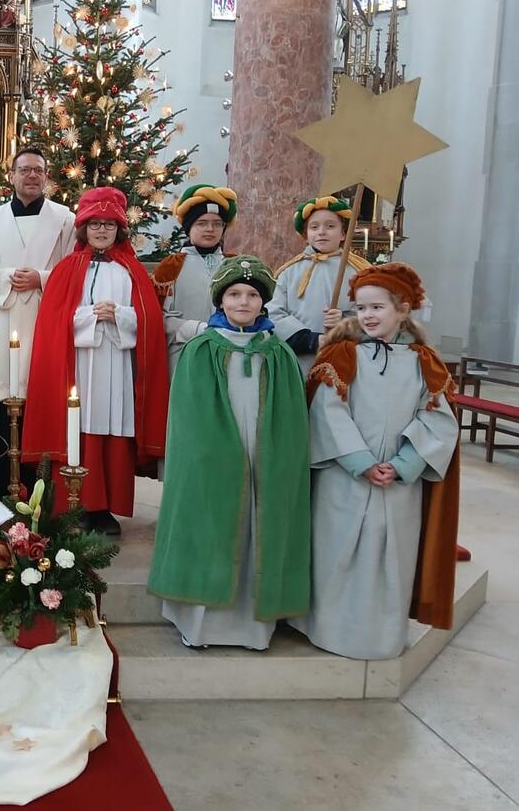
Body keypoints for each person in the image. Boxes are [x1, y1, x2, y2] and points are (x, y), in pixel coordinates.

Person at [293, 263, 460, 660]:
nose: (367, 315)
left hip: (399, 482)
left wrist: (403, 463)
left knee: (391, 558)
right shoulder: (342, 355)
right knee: (336, 555)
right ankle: (329, 628)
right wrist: (361, 460)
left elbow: (437, 418)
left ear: (402, 309)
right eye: (361, 308)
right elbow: (326, 412)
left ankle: (381, 635)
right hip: (345, 477)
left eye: (377, 307)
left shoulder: (424, 362)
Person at [148, 256, 311, 650]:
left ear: (263, 302)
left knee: (257, 526)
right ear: (220, 301)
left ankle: (254, 627)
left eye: (252, 295)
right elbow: (188, 417)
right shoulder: (202, 349)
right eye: (234, 294)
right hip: (212, 461)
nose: (243, 302)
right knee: (212, 523)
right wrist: (210, 454)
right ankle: (200, 624)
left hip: (264, 458)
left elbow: (291, 417)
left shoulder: (278, 353)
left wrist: (277, 456)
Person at [22, 187, 169, 535]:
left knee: (112, 428)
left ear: (120, 229)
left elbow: (149, 321)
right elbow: (54, 322)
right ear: (83, 228)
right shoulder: (67, 269)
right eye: (94, 224)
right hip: (79, 365)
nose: (101, 230)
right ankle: (76, 506)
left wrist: (120, 316)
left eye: (109, 224)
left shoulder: (131, 270)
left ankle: (105, 508)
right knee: (78, 425)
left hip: (115, 363)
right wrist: (89, 316)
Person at [0, 147, 76, 498]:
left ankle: (40, 490)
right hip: (5, 319)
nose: (32, 176)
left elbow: (74, 270)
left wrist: (42, 279)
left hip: (47, 322)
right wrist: (10, 277)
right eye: (25, 170)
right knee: (3, 402)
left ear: (47, 177)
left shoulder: (65, 220)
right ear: (12, 176)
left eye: (39, 170)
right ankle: (0, 485)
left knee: (40, 402)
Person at [268, 196, 370, 375]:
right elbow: (274, 312)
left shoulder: (359, 271)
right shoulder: (289, 271)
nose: (321, 232)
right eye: (314, 227)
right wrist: (311, 340)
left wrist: (345, 319)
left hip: (343, 356)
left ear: (343, 233)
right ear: (306, 234)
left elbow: (372, 310)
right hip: (298, 360)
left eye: (330, 226)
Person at [153, 184, 237, 372]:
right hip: (184, 354)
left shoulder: (234, 265)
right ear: (189, 227)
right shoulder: (171, 267)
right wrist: (195, 329)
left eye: (217, 224)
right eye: (202, 223)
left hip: (229, 353)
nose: (210, 229)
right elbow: (157, 317)